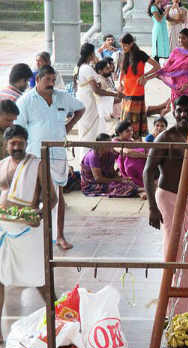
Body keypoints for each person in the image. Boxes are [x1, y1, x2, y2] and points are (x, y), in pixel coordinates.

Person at [144, 95, 188, 313]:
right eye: (179, 110)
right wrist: (152, 208)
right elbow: (148, 170)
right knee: (179, 252)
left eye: (187, 110)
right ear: (173, 111)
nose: (183, 114)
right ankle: (177, 311)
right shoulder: (167, 137)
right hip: (170, 197)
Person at [15, 65, 84, 250]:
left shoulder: (62, 96)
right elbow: (19, 129)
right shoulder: (26, 100)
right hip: (35, 154)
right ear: (38, 80)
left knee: (59, 196)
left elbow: (81, 108)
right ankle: (33, 234)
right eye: (48, 80)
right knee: (35, 195)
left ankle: (59, 235)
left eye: (54, 80)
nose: (51, 84)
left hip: (58, 153)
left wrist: (67, 128)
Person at [0, 125, 57, 342]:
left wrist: (39, 215)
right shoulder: (2, 166)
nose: (16, 147)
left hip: (28, 230)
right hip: (4, 229)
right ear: (6, 145)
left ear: (26, 143)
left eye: (20, 143)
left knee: (41, 280)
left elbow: (52, 198)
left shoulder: (37, 165)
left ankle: (61, 319)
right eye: (12, 143)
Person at [75, 43, 121, 160]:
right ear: (91, 54)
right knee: (89, 131)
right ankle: (87, 159)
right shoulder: (86, 68)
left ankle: (93, 158)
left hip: (86, 100)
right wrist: (113, 94)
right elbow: (97, 90)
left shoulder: (82, 67)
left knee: (91, 129)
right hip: (89, 102)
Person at [119, 33, 161, 139]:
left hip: (137, 92)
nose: (123, 48)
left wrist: (145, 76)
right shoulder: (124, 54)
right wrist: (120, 83)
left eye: (125, 45)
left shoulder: (140, 54)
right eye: (122, 45)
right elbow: (123, 72)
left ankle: (137, 145)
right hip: (126, 92)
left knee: (134, 124)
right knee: (125, 123)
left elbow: (157, 66)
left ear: (131, 43)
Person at [153, 28, 188, 109]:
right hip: (176, 87)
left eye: (183, 38)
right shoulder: (176, 51)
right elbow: (167, 67)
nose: (180, 40)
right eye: (179, 37)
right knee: (177, 111)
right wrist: (160, 74)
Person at [80, 133, 138, 197]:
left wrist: (122, 179)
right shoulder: (93, 156)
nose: (111, 145)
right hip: (92, 185)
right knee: (123, 188)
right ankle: (139, 191)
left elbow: (112, 172)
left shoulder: (109, 154)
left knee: (130, 183)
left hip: (106, 181)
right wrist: (117, 180)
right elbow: (98, 179)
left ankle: (139, 191)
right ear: (102, 145)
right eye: (109, 144)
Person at [113, 120, 147, 188]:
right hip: (123, 168)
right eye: (127, 131)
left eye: (131, 130)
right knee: (129, 156)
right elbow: (127, 152)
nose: (131, 133)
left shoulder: (130, 140)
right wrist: (146, 156)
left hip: (132, 166)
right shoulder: (115, 142)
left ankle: (145, 178)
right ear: (120, 133)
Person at [94, 59, 121, 134]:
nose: (110, 70)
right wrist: (118, 97)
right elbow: (103, 98)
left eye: (109, 68)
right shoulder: (99, 80)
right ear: (100, 71)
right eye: (107, 68)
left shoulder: (108, 78)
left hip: (114, 111)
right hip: (107, 113)